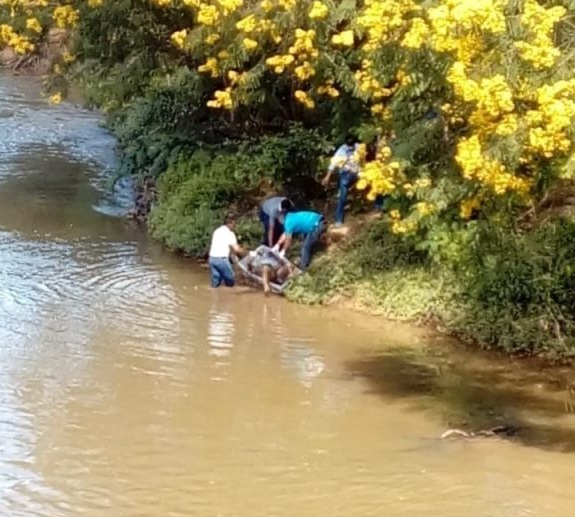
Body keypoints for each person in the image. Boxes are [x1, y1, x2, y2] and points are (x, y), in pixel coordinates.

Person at [321, 133, 363, 226]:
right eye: (349, 146)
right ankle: (339, 219)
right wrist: (327, 177)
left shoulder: (359, 147)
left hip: (358, 172)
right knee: (342, 196)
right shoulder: (342, 150)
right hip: (346, 173)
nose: (351, 148)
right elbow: (333, 164)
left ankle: (377, 207)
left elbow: (365, 157)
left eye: (352, 145)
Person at [208, 213, 248, 288]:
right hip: (222, 260)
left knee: (215, 283)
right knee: (230, 281)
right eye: (235, 223)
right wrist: (249, 253)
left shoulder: (217, 230)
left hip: (212, 259)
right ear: (231, 222)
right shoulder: (230, 233)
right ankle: (230, 297)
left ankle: (215, 296)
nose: (235, 226)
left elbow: (225, 246)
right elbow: (237, 249)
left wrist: (235, 257)